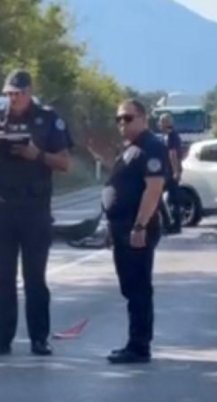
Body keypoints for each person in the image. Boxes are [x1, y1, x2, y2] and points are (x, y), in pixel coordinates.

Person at [0, 69, 71, 357]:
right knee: (2, 280)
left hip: (34, 208)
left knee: (35, 279)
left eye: (18, 93)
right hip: (1, 208)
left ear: (29, 92)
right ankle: (1, 339)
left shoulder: (48, 118)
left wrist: (36, 154)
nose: (13, 99)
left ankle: (39, 339)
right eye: (9, 94)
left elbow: (65, 163)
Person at [87, 99, 167, 364]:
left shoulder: (151, 147)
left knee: (139, 288)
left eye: (128, 118)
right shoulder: (130, 149)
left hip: (137, 228)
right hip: (121, 227)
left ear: (143, 118)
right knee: (130, 287)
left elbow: (153, 189)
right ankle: (135, 342)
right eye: (119, 119)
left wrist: (140, 225)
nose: (122, 123)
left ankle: (139, 346)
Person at [157, 113, 183, 234]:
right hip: (167, 171)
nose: (159, 124)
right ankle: (170, 223)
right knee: (168, 198)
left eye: (161, 121)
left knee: (170, 198)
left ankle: (172, 224)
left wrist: (175, 171)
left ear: (166, 123)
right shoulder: (166, 136)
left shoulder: (172, 136)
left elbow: (173, 154)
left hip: (169, 172)